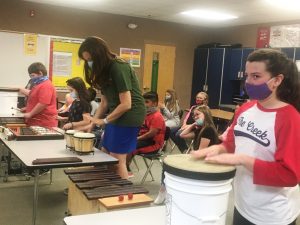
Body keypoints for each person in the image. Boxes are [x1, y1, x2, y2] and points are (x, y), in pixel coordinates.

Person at [192, 49, 300, 225]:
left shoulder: (290, 119)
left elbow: (289, 175)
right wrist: (218, 148)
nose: (248, 82)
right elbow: (233, 143)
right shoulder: (245, 109)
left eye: (256, 76)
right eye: (247, 76)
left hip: (273, 215)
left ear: (277, 80)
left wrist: (242, 160)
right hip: (243, 204)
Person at [78, 36, 146, 179]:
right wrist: (92, 123)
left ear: (99, 55)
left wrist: (104, 121)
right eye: (86, 60)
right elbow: (104, 102)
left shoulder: (118, 66)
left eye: (90, 59)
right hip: (117, 113)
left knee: (116, 158)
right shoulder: (103, 70)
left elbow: (127, 104)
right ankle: (107, 186)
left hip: (130, 115)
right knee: (105, 152)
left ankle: (121, 194)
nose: (89, 63)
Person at [154, 105, 219, 204]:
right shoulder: (200, 129)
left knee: (170, 163)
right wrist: (193, 125)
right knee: (167, 161)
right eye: (194, 115)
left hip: (204, 162)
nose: (195, 117)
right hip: (198, 159)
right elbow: (182, 135)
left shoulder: (208, 130)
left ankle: (164, 190)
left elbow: (201, 152)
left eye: (198, 114)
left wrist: (188, 157)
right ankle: (163, 190)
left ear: (205, 114)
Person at [127, 91, 166, 177]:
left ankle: (125, 169)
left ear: (154, 103)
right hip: (144, 139)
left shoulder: (157, 116)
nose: (144, 104)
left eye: (147, 102)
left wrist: (136, 138)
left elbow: (151, 134)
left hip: (153, 143)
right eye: (143, 102)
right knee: (123, 140)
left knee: (129, 145)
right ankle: (120, 167)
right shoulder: (146, 114)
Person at [18, 62, 57, 127]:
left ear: (40, 73)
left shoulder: (46, 85)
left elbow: (43, 103)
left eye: (33, 75)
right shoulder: (39, 84)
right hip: (36, 120)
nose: (31, 78)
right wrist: (28, 108)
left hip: (44, 121)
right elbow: (32, 94)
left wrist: (30, 113)